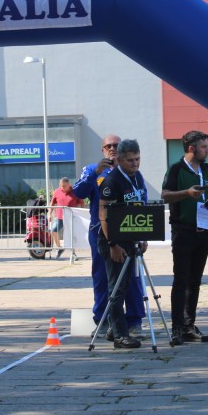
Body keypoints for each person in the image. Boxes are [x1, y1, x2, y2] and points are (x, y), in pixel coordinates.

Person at [73, 134, 146, 338]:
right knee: (103, 277)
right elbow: (78, 193)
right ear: (102, 149)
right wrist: (95, 173)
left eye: (116, 145)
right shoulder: (92, 169)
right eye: (108, 146)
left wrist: (144, 233)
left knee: (132, 277)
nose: (112, 149)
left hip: (130, 230)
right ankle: (103, 320)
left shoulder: (133, 171)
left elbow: (143, 200)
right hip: (101, 231)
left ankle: (134, 321)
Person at [161, 130, 208, 346]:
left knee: (195, 280)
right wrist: (186, 193)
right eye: (204, 147)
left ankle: (189, 325)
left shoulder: (207, 168)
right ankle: (177, 327)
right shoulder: (176, 169)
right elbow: (165, 195)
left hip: (203, 230)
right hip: (183, 230)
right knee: (181, 279)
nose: (207, 150)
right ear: (191, 148)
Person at [97, 139, 148, 349]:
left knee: (126, 285)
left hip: (131, 237)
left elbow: (140, 206)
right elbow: (103, 215)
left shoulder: (137, 177)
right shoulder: (112, 181)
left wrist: (143, 236)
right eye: (130, 160)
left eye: (137, 159)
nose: (135, 163)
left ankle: (113, 328)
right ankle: (120, 335)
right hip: (113, 241)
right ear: (119, 160)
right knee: (116, 288)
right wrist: (112, 244)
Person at [49, 176, 84, 258]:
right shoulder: (57, 191)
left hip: (71, 217)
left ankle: (73, 253)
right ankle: (59, 248)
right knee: (53, 230)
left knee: (71, 235)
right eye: (61, 186)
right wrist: (49, 214)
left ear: (69, 184)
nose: (63, 188)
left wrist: (81, 214)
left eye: (64, 186)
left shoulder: (75, 191)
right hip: (59, 217)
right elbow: (52, 203)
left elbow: (82, 203)